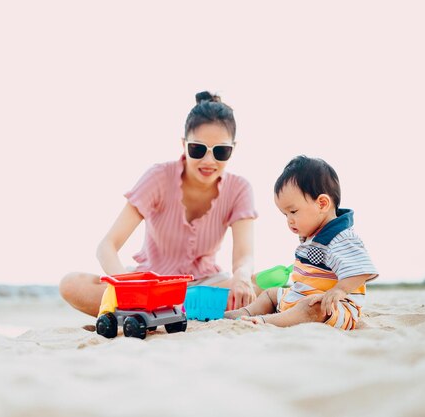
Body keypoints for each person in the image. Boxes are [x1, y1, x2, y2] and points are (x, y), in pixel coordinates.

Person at [60, 91, 260, 317]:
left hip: (207, 284)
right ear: (183, 144)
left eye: (221, 151)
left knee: (261, 288)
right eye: (198, 149)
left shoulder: (240, 189)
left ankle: (166, 309)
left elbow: (244, 256)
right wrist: (128, 286)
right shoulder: (158, 177)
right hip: (149, 287)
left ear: (234, 148)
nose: (208, 161)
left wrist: (241, 276)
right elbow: (107, 246)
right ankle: (172, 308)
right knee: (71, 284)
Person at [225, 155, 378, 330]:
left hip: (333, 307)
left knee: (312, 308)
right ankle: (246, 312)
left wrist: (339, 291)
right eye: (285, 215)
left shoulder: (341, 237)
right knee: (271, 293)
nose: (289, 220)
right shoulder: (313, 235)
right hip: (302, 295)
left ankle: (266, 321)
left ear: (322, 203)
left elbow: (361, 270)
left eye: (293, 211)